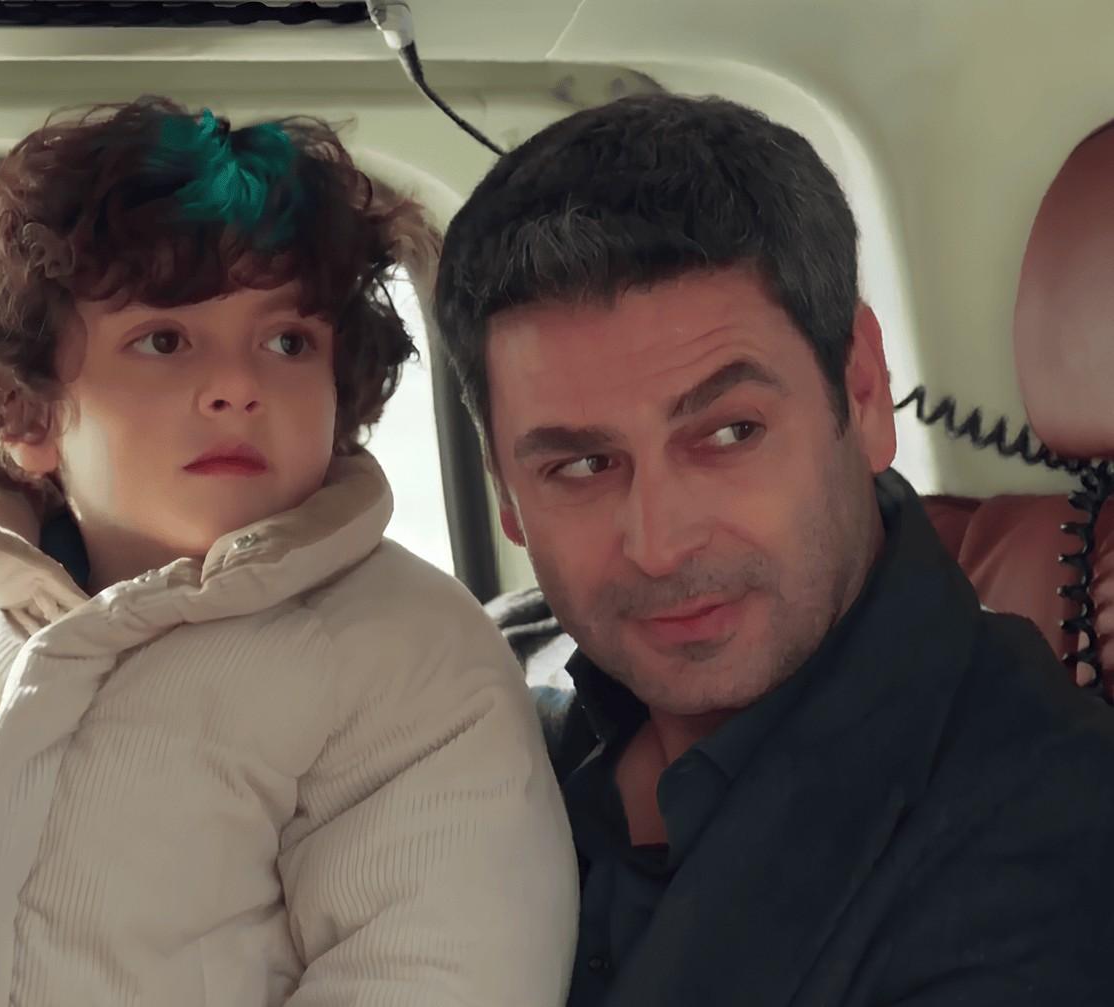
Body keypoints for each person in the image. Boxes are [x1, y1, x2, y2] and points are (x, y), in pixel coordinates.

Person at [0, 96, 577, 1007]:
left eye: (287, 341)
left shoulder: (411, 659)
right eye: (164, 340)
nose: (236, 384)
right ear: (27, 412)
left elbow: (440, 974)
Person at [433, 92, 1114, 1006]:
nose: (660, 545)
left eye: (729, 433)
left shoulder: (1053, 835)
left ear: (862, 394)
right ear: (505, 495)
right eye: (583, 465)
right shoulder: (468, 693)